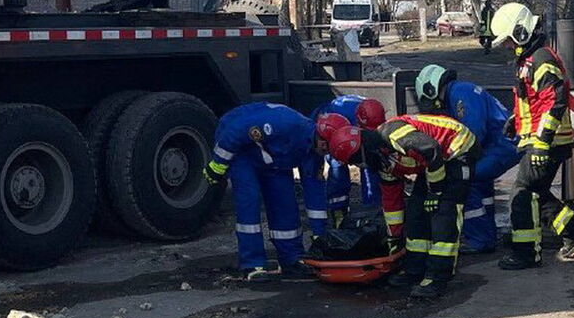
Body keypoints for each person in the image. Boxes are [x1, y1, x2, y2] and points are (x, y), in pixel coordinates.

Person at [328, 114, 480, 299]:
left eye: (356, 162)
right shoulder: (383, 163)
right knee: (417, 211)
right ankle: (414, 270)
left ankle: (438, 277)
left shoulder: (392, 134)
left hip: (457, 148)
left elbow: (430, 149)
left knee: (444, 212)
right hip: (434, 162)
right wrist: (394, 237)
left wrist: (435, 191)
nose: (360, 167)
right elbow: (392, 204)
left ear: (360, 150)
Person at [490, 2, 574, 267]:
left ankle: (525, 253)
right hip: (539, 139)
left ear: (521, 32)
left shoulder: (542, 60)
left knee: (522, 194)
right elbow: (535, 101)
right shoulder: (532, 60)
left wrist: (541, 143)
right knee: (537, 192)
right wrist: (516, 120)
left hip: (546, 141)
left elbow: (555, 102)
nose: (507, 47)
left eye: (509, 41)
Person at [203, 102, 328, 281]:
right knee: (249, 200)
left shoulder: (316, 150)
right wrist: (217, 164)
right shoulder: (285, 124)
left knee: (285, 202)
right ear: (321, 137)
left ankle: (292, 259)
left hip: (273, 156)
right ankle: (252, 264)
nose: (326, 152)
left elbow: (315, 193)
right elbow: (237, 131)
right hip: (242, 149)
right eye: (326, 147)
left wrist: (320, 236)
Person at [414, 64, 521, 254]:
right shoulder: (461, 90)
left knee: (465, 178)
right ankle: (486, 235)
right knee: (481, 184)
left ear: (432, 89)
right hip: (502, 143)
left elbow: (472, 134)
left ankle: (479, 239)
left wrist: (450, 157)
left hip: (500, 145)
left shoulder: (460, 94)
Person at [312, 96, 386, 225]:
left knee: (370, 163)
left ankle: (373, 209)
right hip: (337, 129)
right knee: (338, 166)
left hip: (355, 124)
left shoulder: (372, 113)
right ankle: (338, 210)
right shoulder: (334, 118)